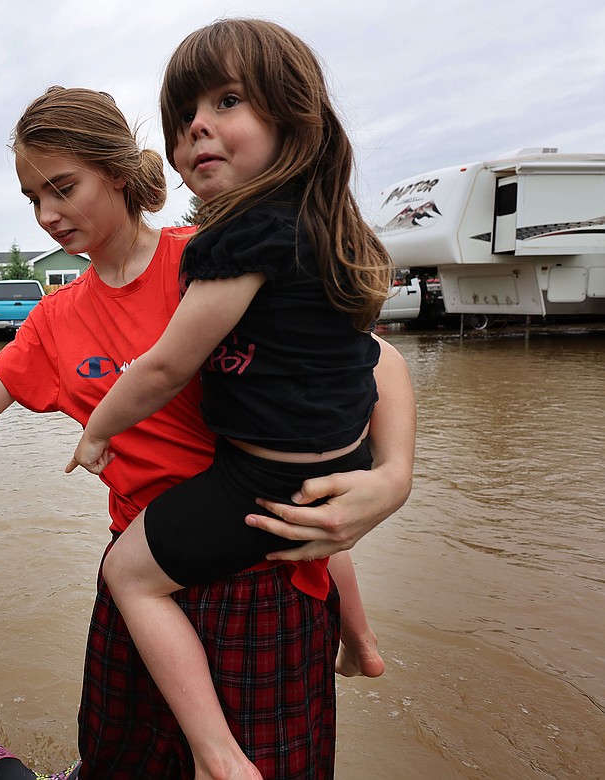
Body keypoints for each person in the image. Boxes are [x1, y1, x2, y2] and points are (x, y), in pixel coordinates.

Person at [0, 85, 415, 778]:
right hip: (146, 563)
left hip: (262, 570)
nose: (48, 215)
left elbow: (375, 360)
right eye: (33, 198)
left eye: (63, 187)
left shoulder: (209, 258)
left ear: (118, 171)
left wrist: (392, 478)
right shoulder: (54, 319)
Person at [65, 19, 396, 780]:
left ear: (294, 115)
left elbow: (163, 369)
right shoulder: (334, 230)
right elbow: (370, 358)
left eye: (228, 101)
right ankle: (363, 643)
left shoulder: (238, 241)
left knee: (129, 574)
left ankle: (218, 758)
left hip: (258, 471)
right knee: (319, 530)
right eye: (185, 116)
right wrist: (392, 467)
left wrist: (97, 432)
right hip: (347, 455)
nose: (198, 127)